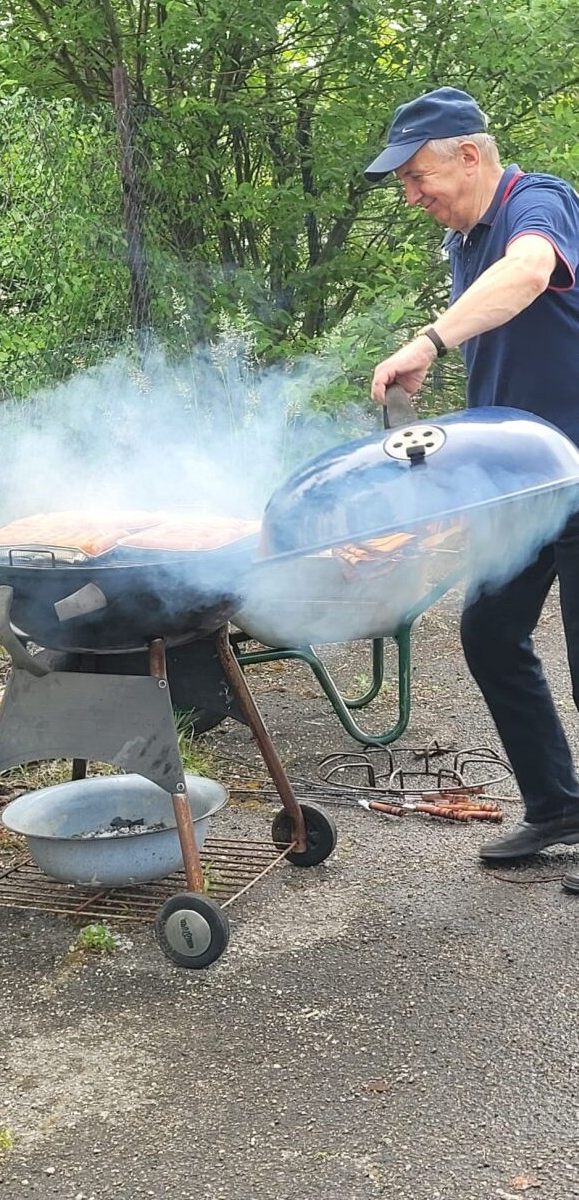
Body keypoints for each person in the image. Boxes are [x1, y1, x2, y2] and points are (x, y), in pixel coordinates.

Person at [365, 86, 579, 890]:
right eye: (404, 186)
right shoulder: (462, 242)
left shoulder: (541, 203)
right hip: (522, 484)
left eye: (419, 177)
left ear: (470, 155)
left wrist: (428, 338)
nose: (413, 196)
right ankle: (558, 806)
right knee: (489, 633)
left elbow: (529, 274)